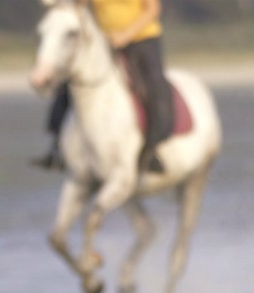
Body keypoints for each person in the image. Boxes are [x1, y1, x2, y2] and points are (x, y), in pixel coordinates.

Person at [34, 0, 174, 174]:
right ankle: (56, 146)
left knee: (155, 86)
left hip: (142, 38)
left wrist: (126, 35)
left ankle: (152, 149)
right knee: (70, 84)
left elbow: (152, 9)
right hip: (105, 41)